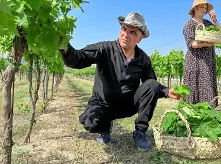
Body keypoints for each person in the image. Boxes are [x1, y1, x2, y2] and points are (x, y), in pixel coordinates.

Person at [58, 12, 181, 151]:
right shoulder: (104, 49)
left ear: (140, 38)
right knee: (90, 122)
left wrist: (166, 91)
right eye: (124, 29)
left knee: (153, 84)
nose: (126, 34)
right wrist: (64, 47)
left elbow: (150, 86)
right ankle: (104, 128)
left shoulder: (143, 59)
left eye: (133, 32)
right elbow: (78, 59)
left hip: (128, 105)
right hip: (104, 105)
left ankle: (140, 131)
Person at [183, 0, 221, 107]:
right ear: (195, 8)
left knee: (208, 84)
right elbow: (191, 44)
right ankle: (192, 116)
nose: (204, 10)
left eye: (205, 8)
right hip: (195, 60)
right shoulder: (189, 24)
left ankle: (208, 113)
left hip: (208, 59)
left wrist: (215, 20)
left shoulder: (208, 23)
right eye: (201, 7)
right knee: (194, 85)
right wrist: (206, 44)